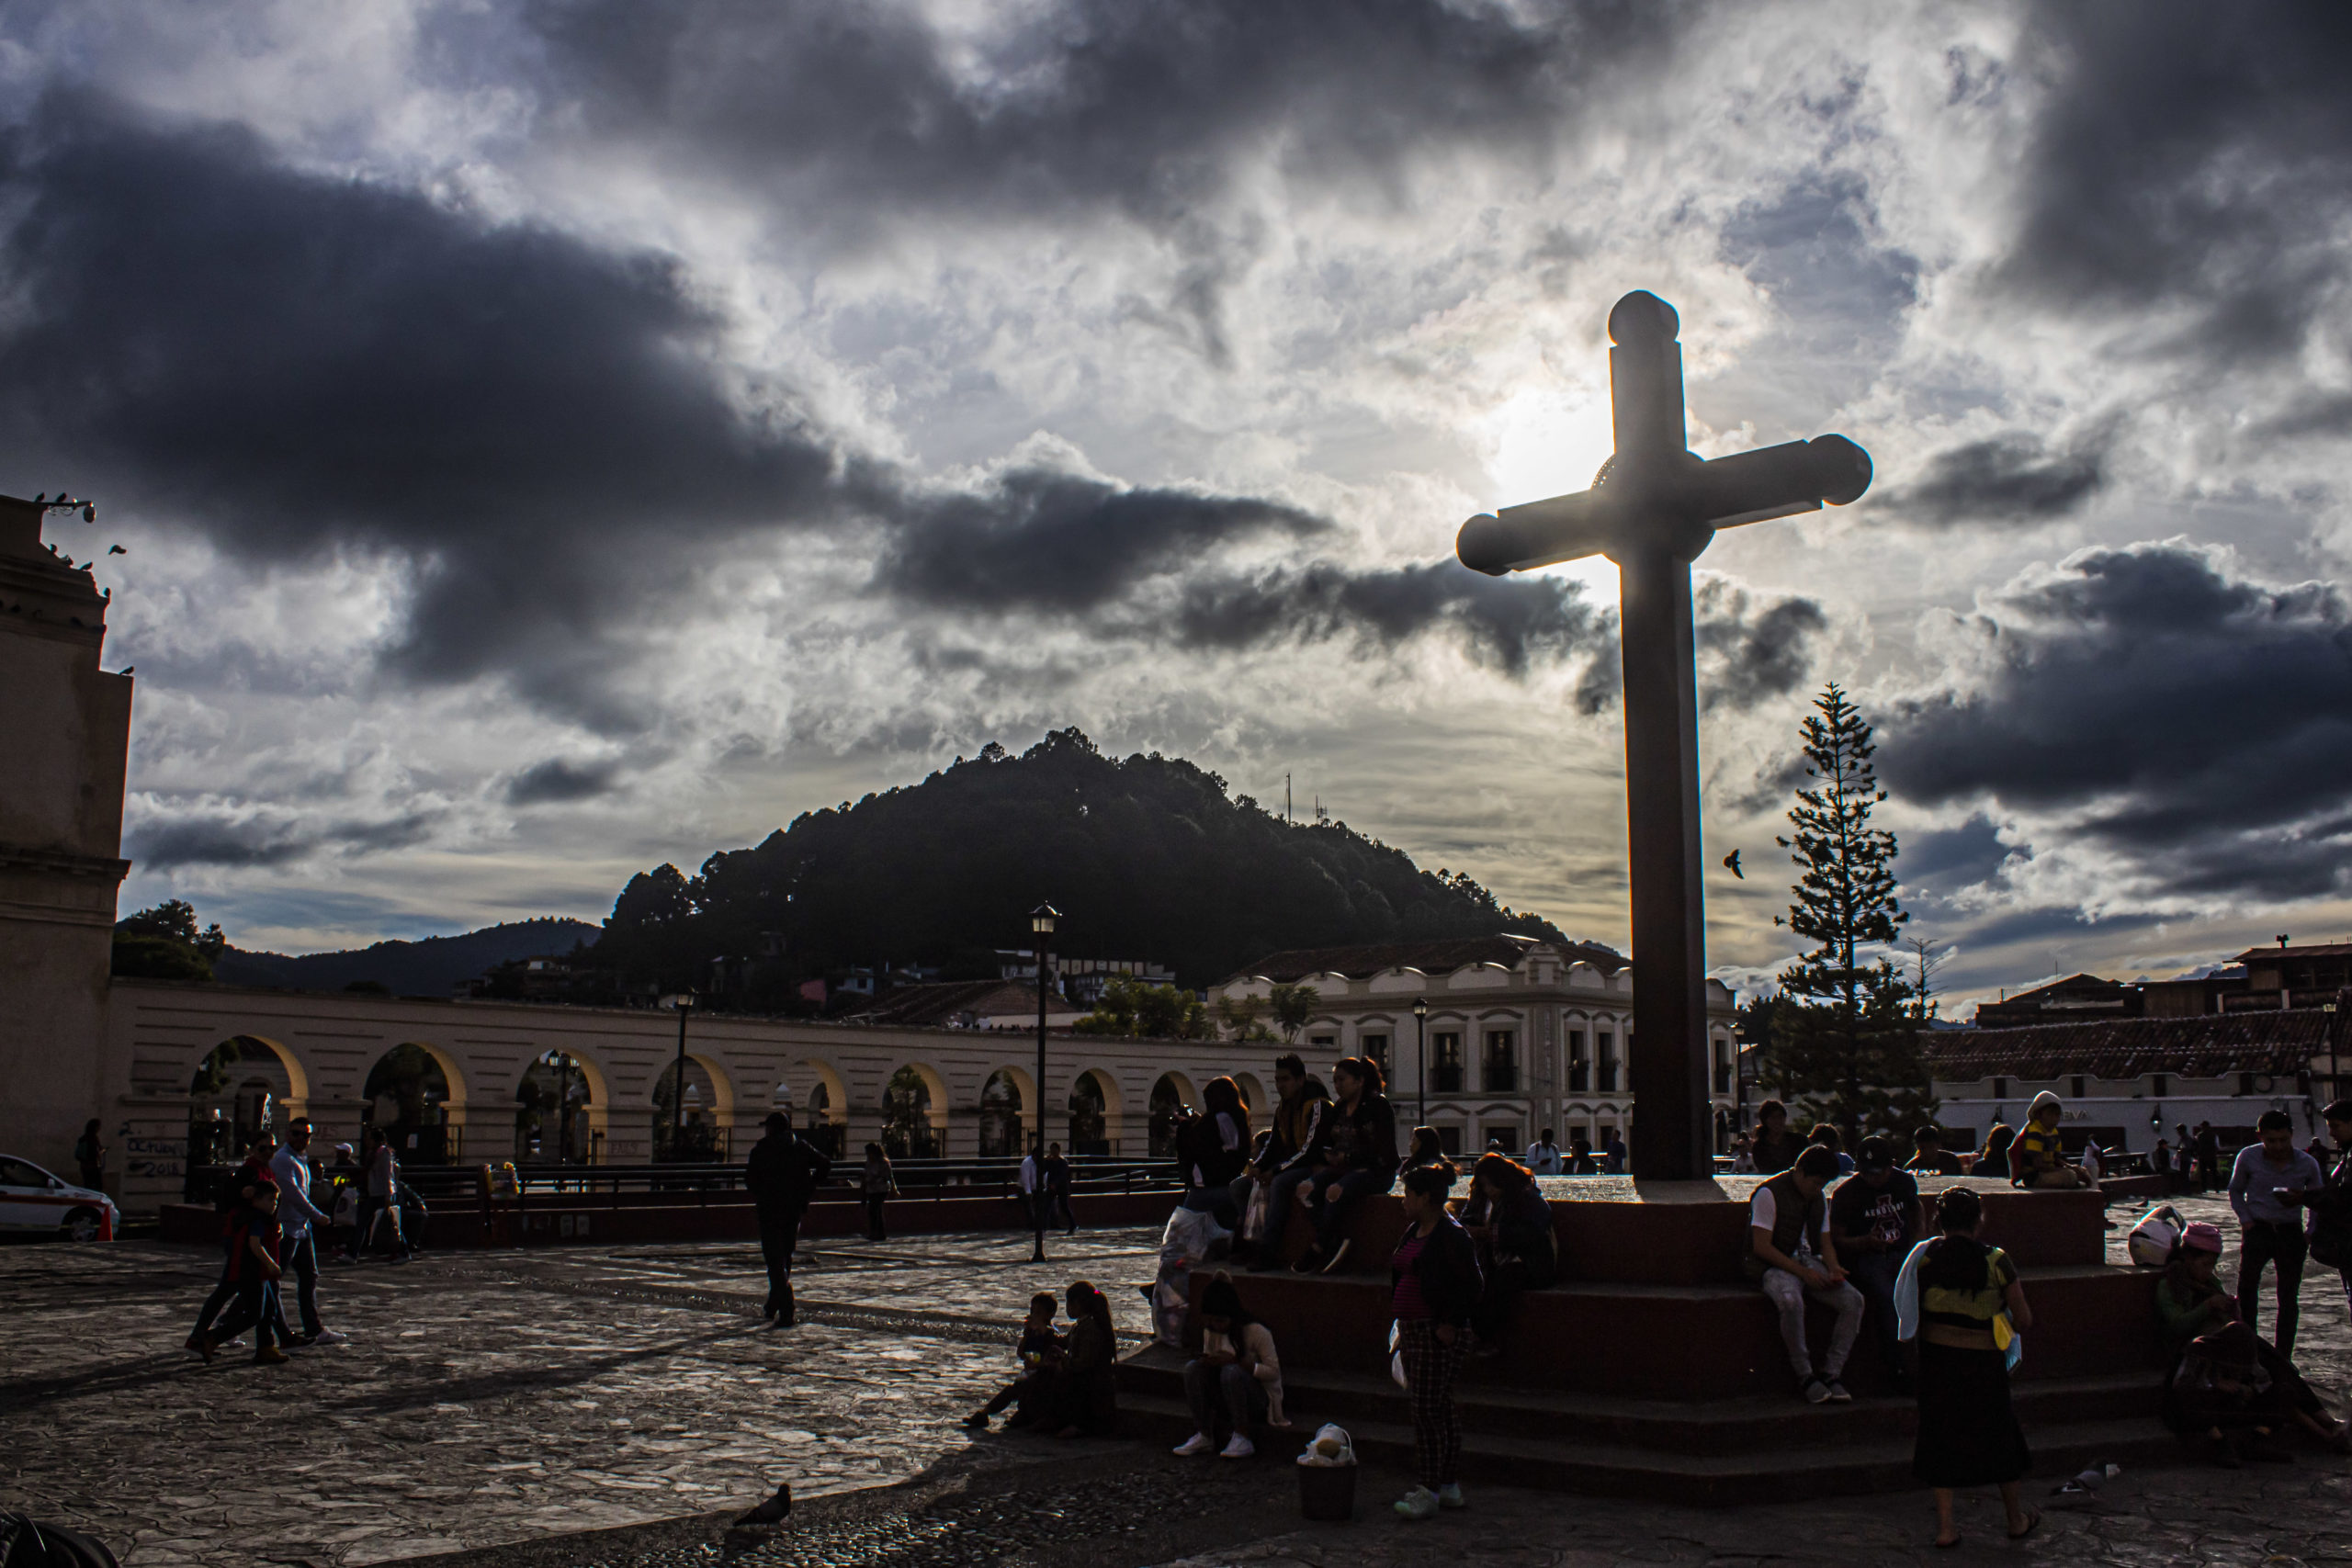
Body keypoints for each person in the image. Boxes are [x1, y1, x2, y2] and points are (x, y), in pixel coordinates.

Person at [1895, 1188, 2038, 1546]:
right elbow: (2023, 1320)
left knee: (1939, 1439)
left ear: (1938, 1221)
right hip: (1983, 1367)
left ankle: (1946, 1527)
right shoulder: (1997, 1261)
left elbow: (1907, 1309)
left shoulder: (1923, 1258)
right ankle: (2015, 1519)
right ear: (1978, 1220)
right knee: (2002, 1440)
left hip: (1937, 1364)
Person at [2154, 1221, 2346, 1461]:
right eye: (2204, 1264)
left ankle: (2315, 1425)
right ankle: (2324, 1426)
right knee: (2262, 1355)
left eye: (2212, 1265)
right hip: (2203, 1352)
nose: (2208, 1271)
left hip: (2229, 1348)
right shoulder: (2171, 1285)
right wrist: (2207, 1307)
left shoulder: (2210, 1283)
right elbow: (2176, 1326)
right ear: (2188, 1259)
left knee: (2275, 1368)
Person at [1388, 1161, 1481, 1521]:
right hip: (1414, 1330)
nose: (1402, 1200)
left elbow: (1472, 1285)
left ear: (1425, 1197)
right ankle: (1447, 1485)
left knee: (1426, 1411)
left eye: (1408, 1194)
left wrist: (1450, 1323)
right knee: (1439, 1408)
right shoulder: (1415, 1230)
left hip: (1435, 1333)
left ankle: (1430, 1487)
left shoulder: (1452, 1236)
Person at [1749, 1145, 1864, 1403]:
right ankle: (1805, 1375)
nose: (1818, 1189)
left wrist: (1833, 1268)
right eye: (1815, 1183)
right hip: (1776, 1265)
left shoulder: (1818, 1198)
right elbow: (1762, 1246)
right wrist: (1803, 1273)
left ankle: (1831, 1373)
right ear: (1800, 1172)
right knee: (1791, 1302)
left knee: (1853, 1301)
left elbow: (1824, 1243)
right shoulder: (1769, 1194)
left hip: (1808, 1261)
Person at [2229, 1109, 2324, 1356]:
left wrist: (2310, 1231)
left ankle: (2284, 1355)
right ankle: (2249, 1348)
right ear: (2260, 1136)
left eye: (2283, 1140)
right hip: (2258, 1228)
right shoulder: (2248, 1157)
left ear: (2291, 1135)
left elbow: (2317, 1199)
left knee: (2288, 1296)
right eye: (2271, 1140)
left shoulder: (2307, 1163)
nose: (2278, 1146)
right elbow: (2236, 1190)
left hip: (2290, 1231)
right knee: (2248, 1290)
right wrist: (2246, 1220)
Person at [1833, 1136, 1923, 1393]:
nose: (1872, 1178)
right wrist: (1864, 1242)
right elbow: (1837, 1238)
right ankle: (1898, 1368)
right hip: (1868, 1257)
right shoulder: (1847, 1194)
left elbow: (1916, 1212)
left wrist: (1916, 1245)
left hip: (1903, 1252)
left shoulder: (1903, 1181)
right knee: (1888, 1299)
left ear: (1891, 1166)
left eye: (1878, 1173)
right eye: (1866, 1172)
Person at [1295, 1056, 1399, 1275]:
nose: (1338, 1086)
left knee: (1335, 1190)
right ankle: (1332, 1237)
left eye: (1342, 1080)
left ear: (1359, 1081)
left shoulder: (1377, 1106)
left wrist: (1349, 1160)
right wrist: (1326, 1157)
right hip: (1344, 1169)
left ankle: (1319, 1247)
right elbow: (1326, 1140)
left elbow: (1383, 1150)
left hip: (1377, 1171)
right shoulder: (1340, 1107)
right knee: (1305, 1189)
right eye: (1335, 1081)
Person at [1173, 1273, 1284, 1459]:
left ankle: (1243, 1436)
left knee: (1232, 1372)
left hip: (1256, 1398)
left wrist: (1239, 1363)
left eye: (1220, 1321)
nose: (1215, 1326)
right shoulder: (1210, 1331)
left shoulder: (1256, 1331)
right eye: (1210, 1321)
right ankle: (1204, 1434)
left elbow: (1273, 1372)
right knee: (1193, 1368)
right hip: (1224, 1393)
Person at [1462, 1152, 1557, 1353]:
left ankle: (1486, 1336)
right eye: (1484, 1185)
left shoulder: (1527, 1199)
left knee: (1501, 1281)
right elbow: (1466, 1219)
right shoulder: (1480, 1199)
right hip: (1490, 1258)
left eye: (1491, 1185)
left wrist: (1493, 1234)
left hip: (1528, 1262)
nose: (1489, 1190)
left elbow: (1533, 1233)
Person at [1241, 1055, 1329, 1269]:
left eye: (1285, 1079)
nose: (1280, 1085)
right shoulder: (1284, 1107)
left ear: (1300, 1080)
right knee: (1240, 1186)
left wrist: (1277, 1170)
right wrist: (1258, 1166)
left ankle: (1268, 1251)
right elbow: (1274, 1143)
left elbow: (1310, 1149)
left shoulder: (1317, 1106)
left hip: (1313, 1165)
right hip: (1295, 1164)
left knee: (1280, 1184)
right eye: (1278, 1080)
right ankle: (1245, 1245)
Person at [746, 1110, 832, 1326]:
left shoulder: (762, 1149)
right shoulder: (800, 1147)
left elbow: (750, 1179)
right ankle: (774, 1302)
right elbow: (825, 1163)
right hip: (794, 1207)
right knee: (785, 1254)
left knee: (774, 1258)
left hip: (769, 1208)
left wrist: (762, 1192)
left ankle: (786, 1304)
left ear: (772, 1128)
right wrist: (809, 1185)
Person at [195, 1175, 290, 1366]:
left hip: (252, 1271)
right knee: (255, 1314)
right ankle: (213, 1337)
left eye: (276, 1201)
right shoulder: (256, 1218)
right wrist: (270, 1264)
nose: (274, 1205)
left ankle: (263, 1347)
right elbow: (255, 1244)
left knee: (266, 1310)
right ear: (256, 1199)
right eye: (270, 1200)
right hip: (252, 1271)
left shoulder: (254, 1216)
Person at [269, 1118, 341, 1346]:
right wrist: (316, 1215)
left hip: (301, 1228)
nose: (301, 1138)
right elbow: (292, 1193)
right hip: (288, 1227)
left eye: (306, 1134)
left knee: (309, 1276)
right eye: (297, 1133)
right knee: (269, 1281)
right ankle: (225, 1323)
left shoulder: (300, 1159)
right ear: (288, 1134)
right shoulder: (282, 1159)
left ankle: (313, 1327)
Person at [966, 1292, 1064, 1430]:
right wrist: (1027, 1335)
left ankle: (989, 1413)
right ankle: (987, 1413)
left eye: (1038, 1312)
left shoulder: (1051, 1332)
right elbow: (1021, 1352)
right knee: (1016, 1390)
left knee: (1018, 1391)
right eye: (1032, 1311)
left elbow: (1053, 1352)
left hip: (1044, 1374)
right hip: (1031, 1370)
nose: (1034, 1315)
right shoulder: (1032, 1332)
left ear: (1050, 1314)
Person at [1045, 1280, 1119, 1438]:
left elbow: (1083, 1363)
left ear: (1077, 1303)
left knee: (1060, 1380)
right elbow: (1065, 1342)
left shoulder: (1091, 1328)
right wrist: (1044, 1330)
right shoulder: (1081, 1325)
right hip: (1083, 1374)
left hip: (1091, 1380)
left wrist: (1063, 1361)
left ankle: (1076, 1424)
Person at [1181, 1077, 1250, 1211]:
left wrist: (1186, 1126)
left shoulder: (1217, 1118)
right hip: (1226, 1183)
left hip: (1208, 1185)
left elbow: (1192, 1148)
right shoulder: (1238, 1117)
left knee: (1184, 1225)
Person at [357, 1127, 412, 1261]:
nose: (366, 1141)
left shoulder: (384, 1153)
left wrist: (388, 1196)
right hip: (375, 1193)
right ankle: (353, 1251)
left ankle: (403, 1251)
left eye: (369, 1138)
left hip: (382, 1194)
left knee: (389, 1222)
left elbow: (388, 1176)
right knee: (381, 1222)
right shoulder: (373, 1153)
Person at [1748, 1100, 1802, 1175]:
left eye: (1780, 1116)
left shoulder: (1799, 1140)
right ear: (1765, 1121)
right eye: (1773, 1117)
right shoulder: (1759, 1146)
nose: (1777, 1121)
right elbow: (1765, 1170)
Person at [859, 1143, 896, 1241]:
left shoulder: (883, 1162)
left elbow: (886, 1176)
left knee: (875, 1209)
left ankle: (878, 1233)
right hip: (871, 1189)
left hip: (881, 1189)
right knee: (874, 1210)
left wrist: (872, 1180)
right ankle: (877, 1232)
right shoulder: (869, 1162)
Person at [1045, 1142, 1078, 1234]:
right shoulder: (1050, 1161)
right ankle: (1044, 1226)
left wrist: (1055, 1183)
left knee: (1064, 1206)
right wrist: (1046, 1161)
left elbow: (1062, 1175)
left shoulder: (1063, 1162)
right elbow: (1044, 1170)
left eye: (1054, 1150)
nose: (1053, 1152)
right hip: (1051, 1186)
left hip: (1062, 1187)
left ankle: (1072, 1224)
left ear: (1058, 1151)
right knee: (1046, 1206)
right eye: (1051, 1150)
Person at [74, 1119, 105, 1191]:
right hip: (92, 1166)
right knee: (97, 1187)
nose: (100, 1128)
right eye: (98, 1126)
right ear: (95, 1127)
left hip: (85, 1166)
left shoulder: (84, 1138)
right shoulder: (93, 1138)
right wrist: (102, 1151)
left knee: (88, 1186)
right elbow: (96, 1151)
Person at [2195, 1122, 2222, 1192]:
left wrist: (2197, 1153)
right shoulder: (2214, 1135)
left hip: (2202, 1157)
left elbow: (2197, 1146)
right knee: (2214, 1173)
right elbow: (2217, 1146)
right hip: (2212, 1156)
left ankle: (2204, 1188)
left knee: (2203, 1173)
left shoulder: (2199, 1135)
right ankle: (2216, 1188)